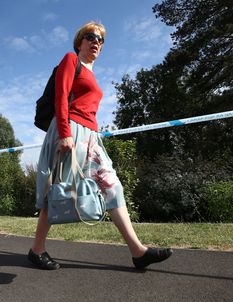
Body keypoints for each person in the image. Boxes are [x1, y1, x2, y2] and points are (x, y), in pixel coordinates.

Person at [28, 21, 173, 270]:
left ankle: (138, 252)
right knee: (60, 190)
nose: (96, 41)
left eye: (100, 39)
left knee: (112, 186)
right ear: (79, 42)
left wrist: (92, 136)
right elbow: (61, 98)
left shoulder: (91, 72)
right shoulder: (70, 61)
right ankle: (36, 250)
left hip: (91, 136)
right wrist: (64, 134)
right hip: (70, 131)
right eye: (90, 37)